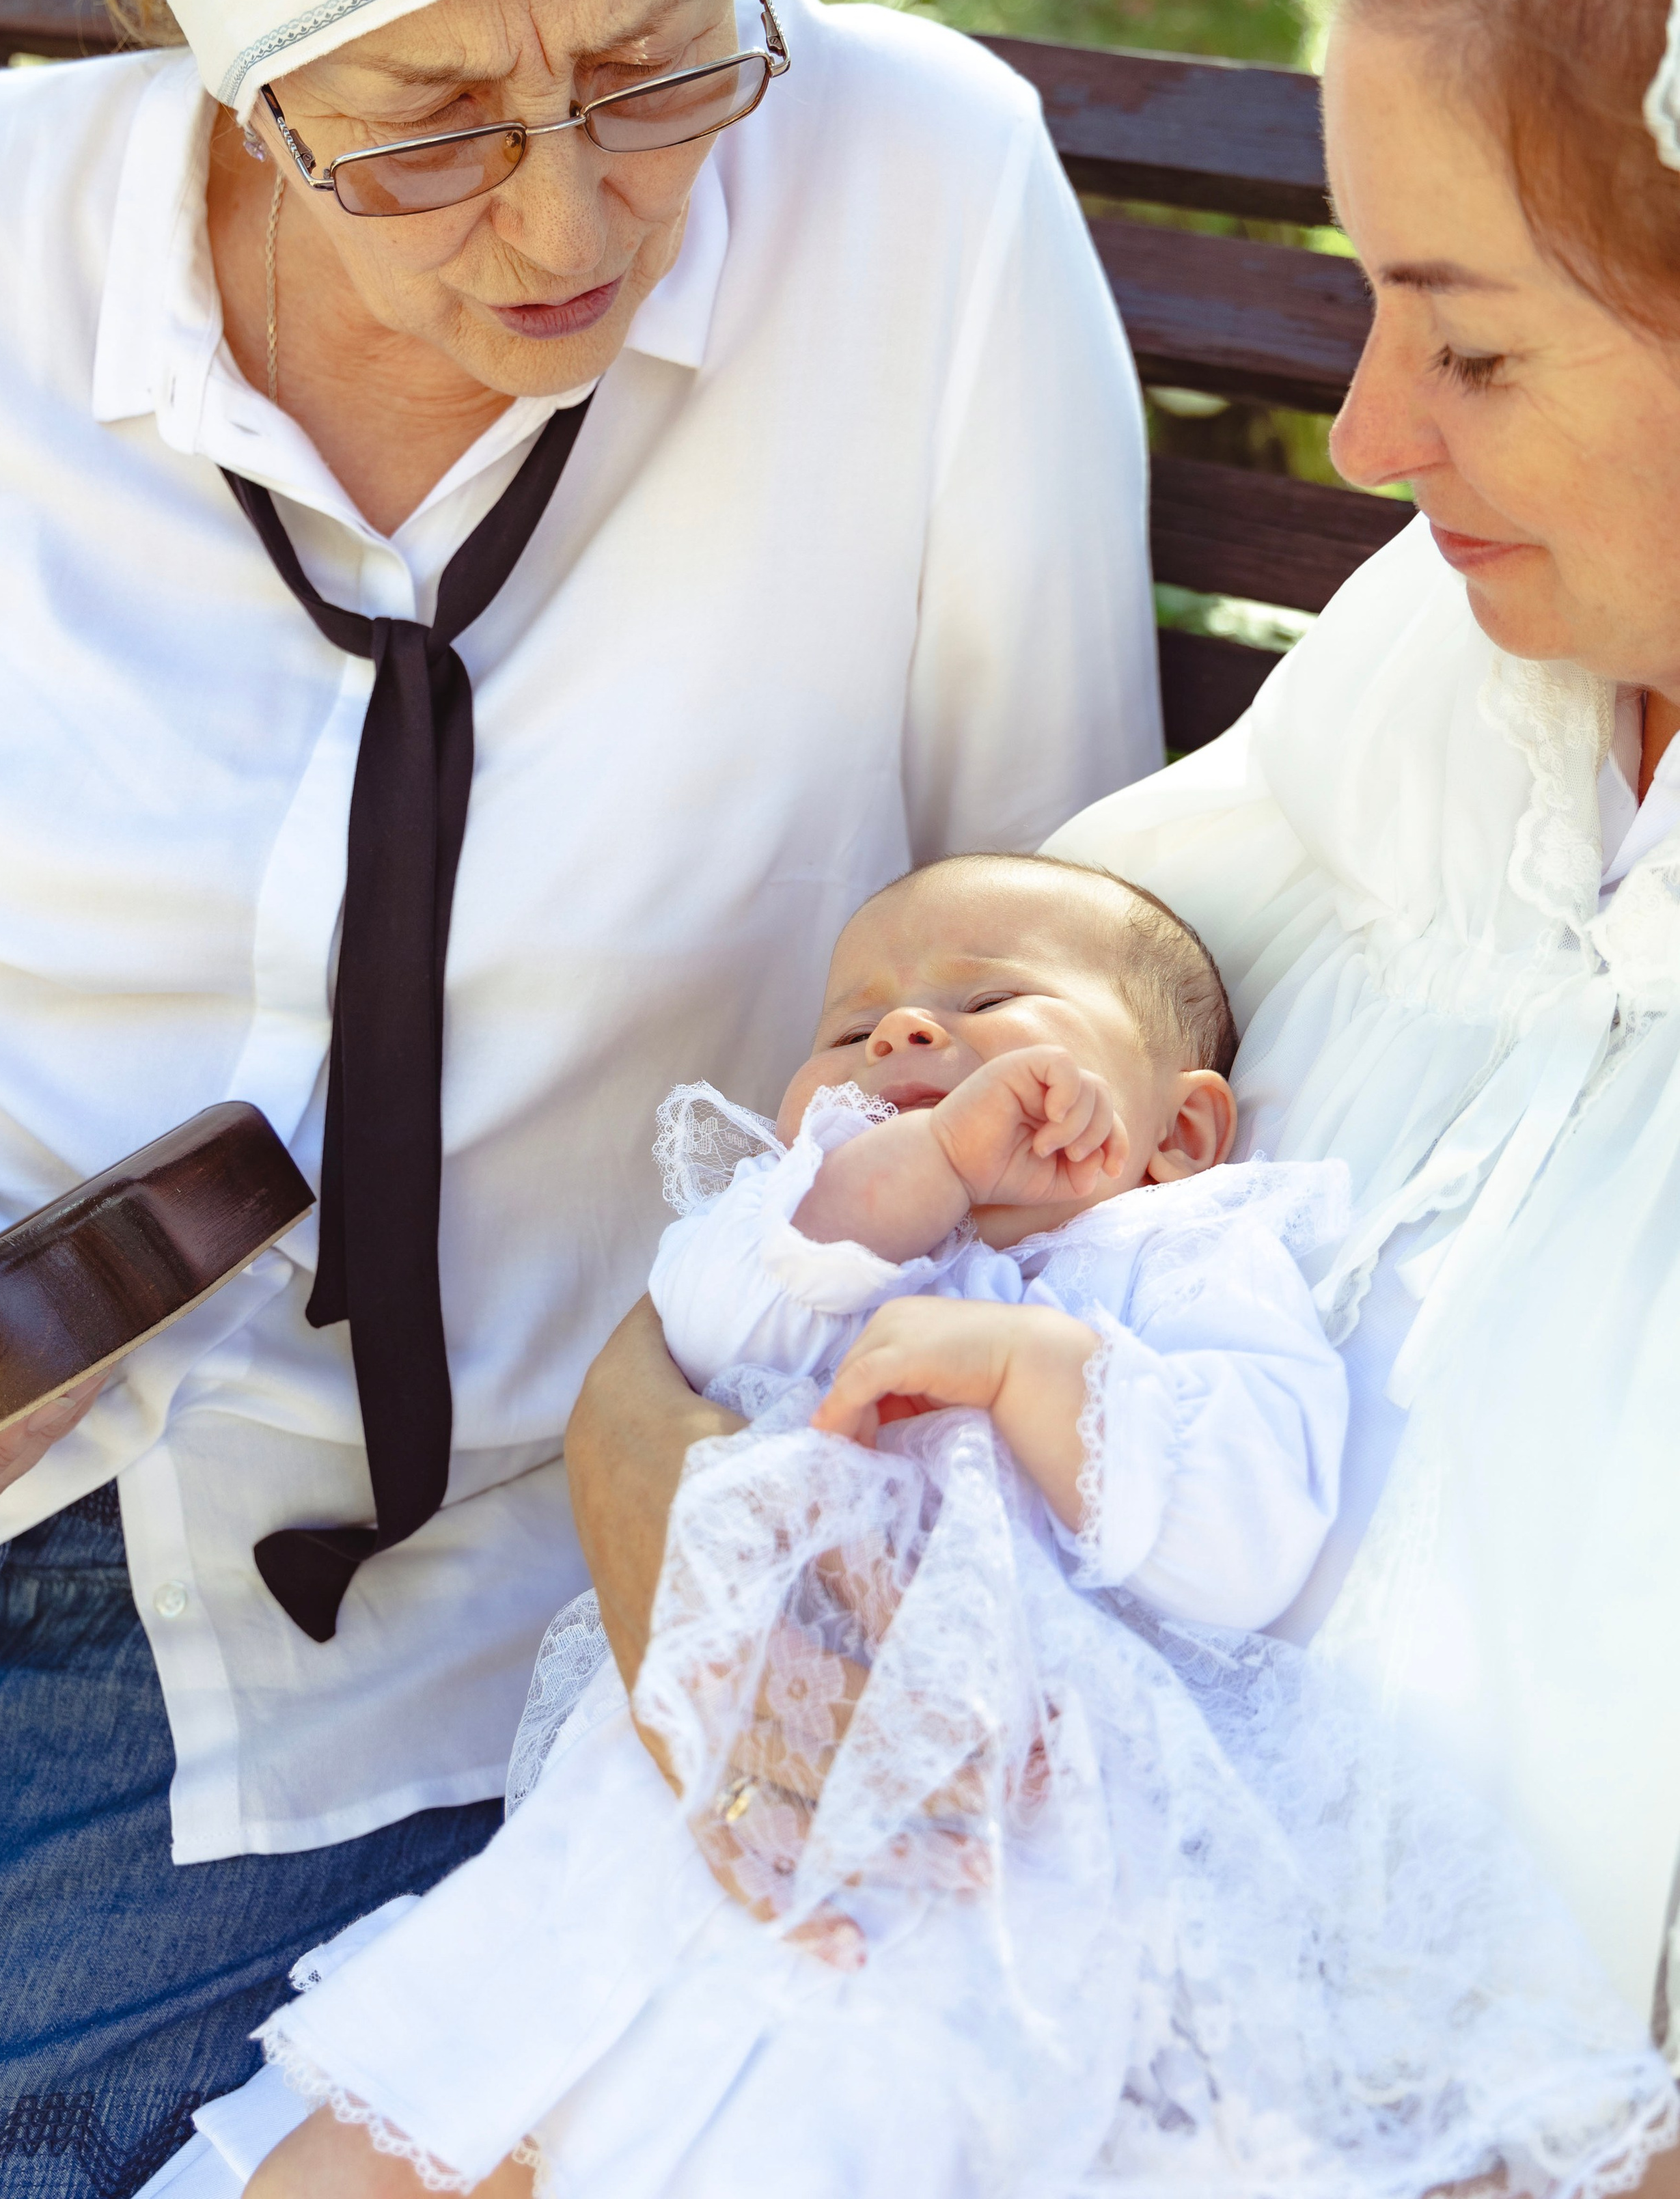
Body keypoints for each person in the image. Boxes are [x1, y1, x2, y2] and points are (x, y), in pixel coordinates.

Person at [0, 0, 1159, 2187]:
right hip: (7, 1520)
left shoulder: (911, 203)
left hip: (561, 1574)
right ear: (212, 51)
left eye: (650, 67)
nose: (566, 222)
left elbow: (1061, 944)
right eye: (422, 124)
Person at [545, 0, 1680, 2199]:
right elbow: (957, 1065)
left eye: (1473, 339)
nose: (1371, 439)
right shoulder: (1470, 674)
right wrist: (680, 1466)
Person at [168, 859, 1667, 2199]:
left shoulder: (1186, 1268)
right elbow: (703, 1313)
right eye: (851, 1024)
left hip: (993, 1846)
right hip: (684, 1799)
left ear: (1177, 1131)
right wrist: (922, 1171)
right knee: (435, 2100)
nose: (900, 1034)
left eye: (990, 1000)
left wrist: (1030, 1369)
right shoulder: (814, 1251)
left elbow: (1247, 1540)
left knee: (802, 2109)